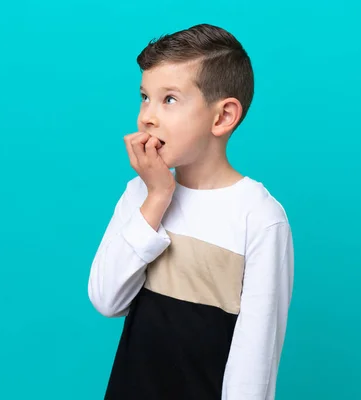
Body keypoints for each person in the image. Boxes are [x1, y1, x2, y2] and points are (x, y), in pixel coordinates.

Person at [87, 23, 294, 400]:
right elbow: (107, 299)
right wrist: (156, 198)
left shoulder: (259, 217)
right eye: (144, 97)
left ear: (222, 117)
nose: (147, 116)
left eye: (168, 99)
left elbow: (255, 363)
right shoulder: (143, 194)